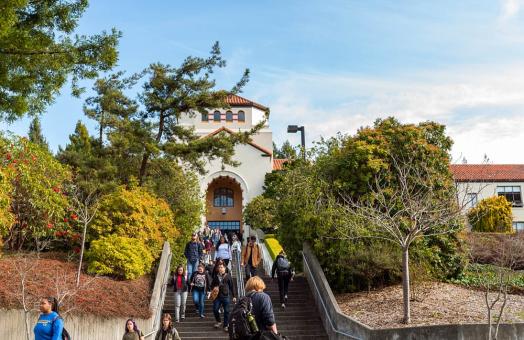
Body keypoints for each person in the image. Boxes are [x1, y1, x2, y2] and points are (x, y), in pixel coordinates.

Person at [211, 262, 236, 332]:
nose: (220, 269)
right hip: (217, 296)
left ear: (225, 268)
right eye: (219, 267)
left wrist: (234, 296)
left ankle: (226, 325)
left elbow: (232, 286)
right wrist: (214, 287)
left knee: (227, 311)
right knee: (215, 309)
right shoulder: (216, 277)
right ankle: (218, 321)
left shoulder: (228, 276)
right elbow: (212, 285)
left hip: (226, 296)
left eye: (222, 267)